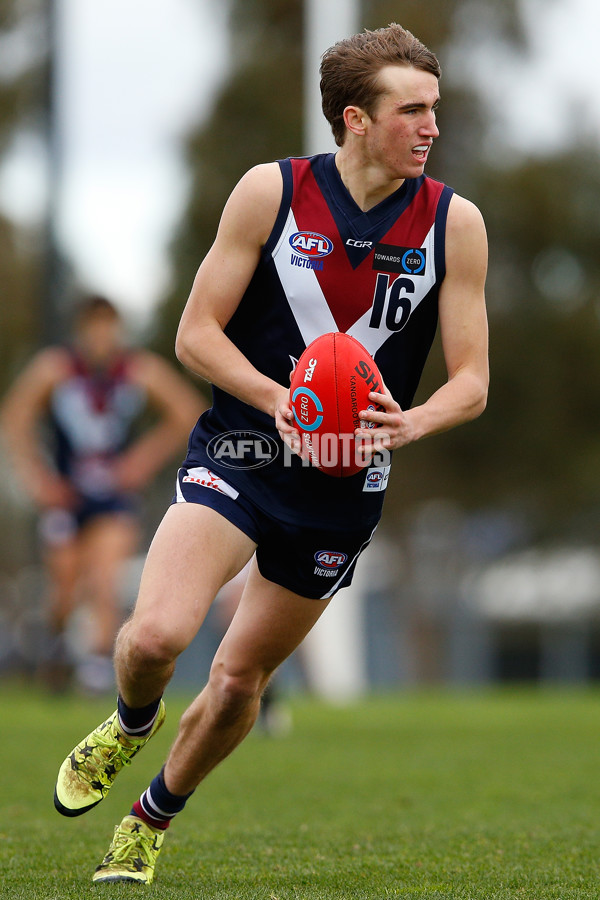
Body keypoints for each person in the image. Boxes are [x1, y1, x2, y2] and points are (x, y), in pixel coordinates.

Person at [53, 24, 489, 884]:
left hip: (344, 485)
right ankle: (130, 724)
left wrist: (415, 422)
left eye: (434, 108)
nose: (432, 126)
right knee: (155, 637)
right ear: (356, 120)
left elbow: (472, 379)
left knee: (239, 678)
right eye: (412, 110)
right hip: (245, 448)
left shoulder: (454, 222)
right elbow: (194, 334)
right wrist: (277, 400)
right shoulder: (272, 193)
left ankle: (152, 817)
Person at [0, 294, 205, 693]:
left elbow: (188, 412)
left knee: (105, 580)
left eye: (108, 326)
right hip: (68, 495)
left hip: (113, 495)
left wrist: (141, 462)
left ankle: (96, 669)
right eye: (93, 326)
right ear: (81, 330)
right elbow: (15, 417)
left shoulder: (137, 371)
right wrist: (38, 479)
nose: (101, 336)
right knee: (63, 588)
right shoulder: (56, 370)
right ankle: (56, 651)